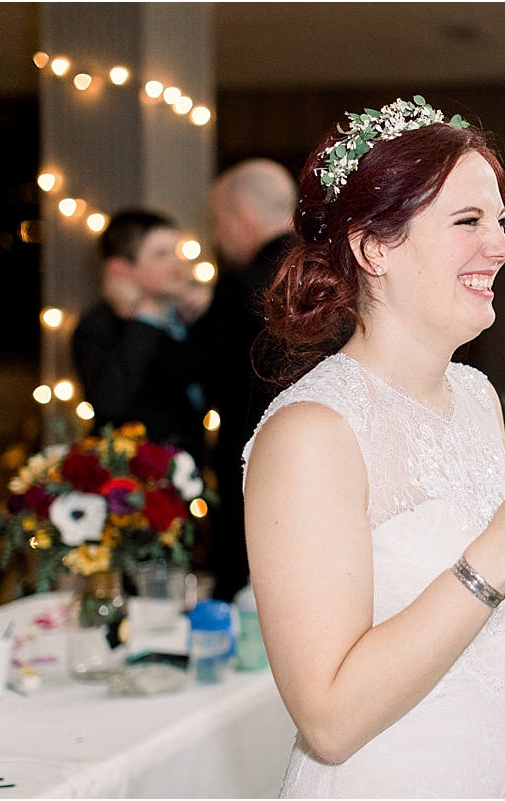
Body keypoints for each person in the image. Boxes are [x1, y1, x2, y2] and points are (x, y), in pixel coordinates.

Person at [242, 98, 505, 797]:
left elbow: (499, 660)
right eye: (469, 221)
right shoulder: (311, 435)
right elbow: (327, 719)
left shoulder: (475, 397)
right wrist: (502, 549)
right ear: (374, 246)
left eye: (500, 222)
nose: (502, 246)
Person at [199, 159, 298, 601]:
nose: (219, 237)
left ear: (242, 216)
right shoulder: (333, 276)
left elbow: (195, 371)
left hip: (250, 464)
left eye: (219, 223)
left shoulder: (239, 285)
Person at [73, 210, 212, 457]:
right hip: (135, 477)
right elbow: (110, 401)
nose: (178, 263)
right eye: (161, 254)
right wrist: (145, 320)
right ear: (121, 269)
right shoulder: (99, 326)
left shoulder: (189, 312)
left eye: (177, 251)